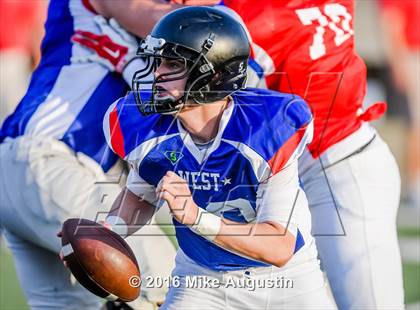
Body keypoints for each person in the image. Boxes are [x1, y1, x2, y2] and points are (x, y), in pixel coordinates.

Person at [78, 6, 337, 309]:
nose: (157, 73)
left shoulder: (267, 128)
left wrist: (195, 217)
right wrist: (106, 233)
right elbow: (140, 195)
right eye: (158, 62)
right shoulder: (152, 128)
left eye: (172, 64)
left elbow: (279, 247)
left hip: (285, 282)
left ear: (212, 75)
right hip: (201, 279)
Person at [0, 0, 216, 308]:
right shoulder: (148, 18)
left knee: (68, 305)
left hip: (25, 170)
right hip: (50, 162)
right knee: (176, 287)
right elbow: (191, 28)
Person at [222, 1, 404, 309]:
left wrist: (114, 7)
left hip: (336, 168)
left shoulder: (261, 16)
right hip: (292, 172)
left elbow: (182, 23)